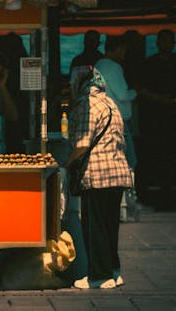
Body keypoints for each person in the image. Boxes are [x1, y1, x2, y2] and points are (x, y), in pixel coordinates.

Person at [66, 66, 132, 289]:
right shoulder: (110, 102)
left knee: (95, 227)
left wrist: (67, 162)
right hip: (118, 171)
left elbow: (83, 143)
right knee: (110, 226)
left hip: (97, 173)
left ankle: (99, 276)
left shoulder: (87, 103)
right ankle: (114, 271)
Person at [139, 29, 176, 201]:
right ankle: (152, 185)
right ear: (157, 43)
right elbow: (141, 89)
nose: (167, 45)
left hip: (172, 115)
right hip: (153, 116)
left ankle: (169, 184)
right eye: (164, 41)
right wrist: (160, 99)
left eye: (170, 41)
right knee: (153, 150)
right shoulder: (149, 64)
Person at [94, 35, 137, 171]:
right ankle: (127, 191)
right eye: (124, 50)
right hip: (118, 119)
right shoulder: (114, 67)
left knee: (112, 159)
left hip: (104, 119)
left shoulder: (98, 65)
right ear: (118, 49)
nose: (124, 54)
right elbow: (123, 95)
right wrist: (136, 92)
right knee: (129, 160)